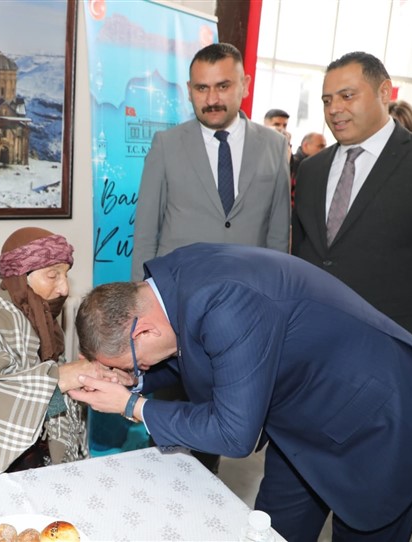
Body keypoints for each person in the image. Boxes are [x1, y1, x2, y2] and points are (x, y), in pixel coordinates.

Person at [69, 242, 412, 541]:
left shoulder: (226, 304)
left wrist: (133, 406)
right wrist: (133, 381)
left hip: (379, 422)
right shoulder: (167, 288)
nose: (140, 370)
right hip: (301, 422)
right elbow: (194, 353)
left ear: (143, 330)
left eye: (134, 365)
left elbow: (232, 433)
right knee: (271, 531)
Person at [131, 42, 291, 472]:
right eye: (201, 88)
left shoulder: (274, 146)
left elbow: (278, 237)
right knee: (170, 437)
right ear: (189, 90)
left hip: (245, 317)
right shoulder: (167, 144)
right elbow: (145, 233)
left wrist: (277, 312)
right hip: (176, 318)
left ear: (244, 84)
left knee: (222, 430)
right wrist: (139, 312)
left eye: (223, 86)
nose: (212, 98)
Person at [292, 51, 412, 374]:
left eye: (347, 96)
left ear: (384, 92)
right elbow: (303, 256)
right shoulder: (312, 170)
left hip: (395, 357)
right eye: (327, 100)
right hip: (312, 349)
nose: (334, 109)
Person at [0, 227, 127, 486]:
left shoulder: (42, 323)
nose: (64, 288)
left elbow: (49, 395)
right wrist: (61, 376)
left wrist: (85, 379)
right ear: (20, 278)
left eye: (66, 275)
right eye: (53, 275)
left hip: (34, 453)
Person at [289, 132, 327, 206]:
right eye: (321, 146)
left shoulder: (319, 166)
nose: (324, 150)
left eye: (325, 146)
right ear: (305, 145)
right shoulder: (292, 165)